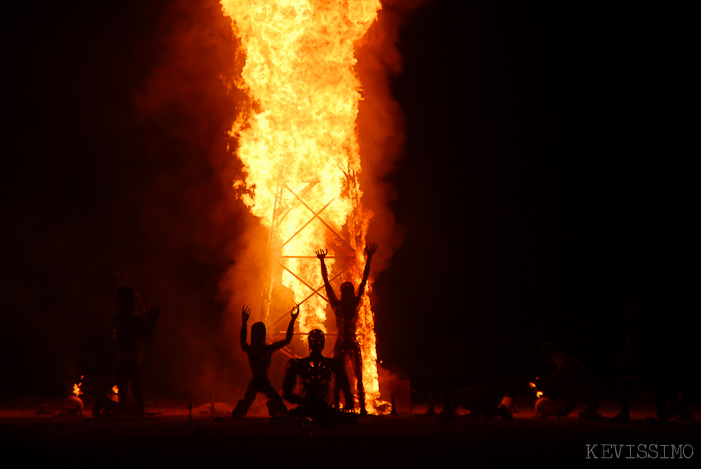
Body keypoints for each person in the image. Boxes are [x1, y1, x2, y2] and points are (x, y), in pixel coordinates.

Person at [316, 242, 377, 415]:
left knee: (356, 376)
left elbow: (363, 279)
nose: (347, 293)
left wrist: (370, 257)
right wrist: (322, 261)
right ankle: (340, 405)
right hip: (345, 343)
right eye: (346, 291)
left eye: (347, 291)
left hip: (348, 343)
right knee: (341, 376)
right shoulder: (343, 306)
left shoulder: (343, 306)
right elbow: (327, 283)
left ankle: (361, 406)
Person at [94, 285, 160, 418]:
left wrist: (147, 321)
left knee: (124, 405)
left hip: (121, 363)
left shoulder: (117, 320)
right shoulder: (136, 321)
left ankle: (105, 404)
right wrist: (151, 323)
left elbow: (129, 332)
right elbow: (147, 340)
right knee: (139, 409)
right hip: (131, 364)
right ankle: (104, 403)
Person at [232, 304, 299, 418]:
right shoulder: (266, 349)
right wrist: (292, 320)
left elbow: (243, 341)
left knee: (247, 402)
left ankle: (242, 412)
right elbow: (287, 340)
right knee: (277, 404)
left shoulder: (251, 349)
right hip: (262, 381)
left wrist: (244, 323)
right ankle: (271, 408)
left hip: (257, 381)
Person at [282, 329, 354, 423]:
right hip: (311, 407)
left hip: (319, 407)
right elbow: (287, 393)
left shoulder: (332, 364)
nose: (316, 343)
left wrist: (348, 403)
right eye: (314, 340)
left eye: (318, 341)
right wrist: (302, 401)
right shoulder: (299, 364)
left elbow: (346, 387)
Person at [539, 342, 603, 419]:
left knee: (571, 390)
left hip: (585, 380)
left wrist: (550, 379)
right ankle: (587, 406)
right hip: (587, 379)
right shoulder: (563, 356)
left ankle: (591, 406)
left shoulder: (555, 355)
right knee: (571, 390)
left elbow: (563, 366)